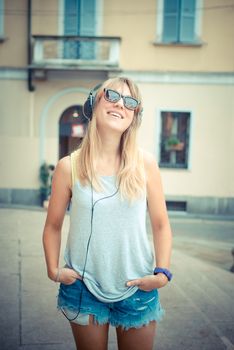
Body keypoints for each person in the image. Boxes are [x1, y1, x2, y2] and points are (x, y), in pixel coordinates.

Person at [42, 76, 172, 350]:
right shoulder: (69, 167)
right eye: (111, 96)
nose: (120, 105)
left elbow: (161, 224)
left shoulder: (146, 164)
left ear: (134, 115)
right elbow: (53, 225)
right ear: (94, 102)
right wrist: (54, 270)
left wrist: (162, 273)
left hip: (138, 288)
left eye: (129, 102)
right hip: (83, 289)